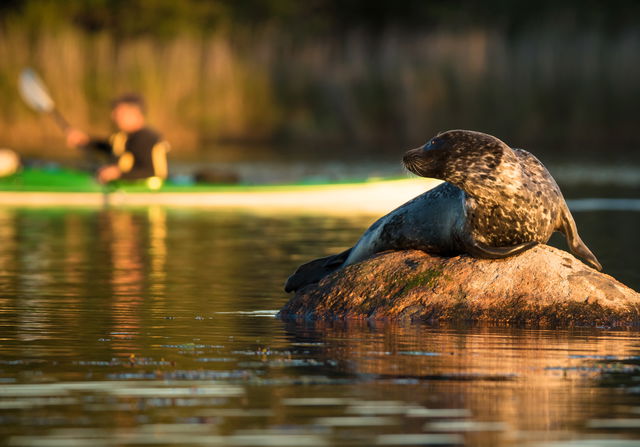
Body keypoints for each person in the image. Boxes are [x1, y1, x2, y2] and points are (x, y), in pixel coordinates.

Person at [66, 93, 169, 189]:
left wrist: (118, 173)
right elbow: (106, 147)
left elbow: (150, 172)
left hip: (149, 188)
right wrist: (84, 141)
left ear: (135, 113)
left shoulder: (146, 138)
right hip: (126, 184)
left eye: (119, 112)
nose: (113, 116)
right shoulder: (123, 137)